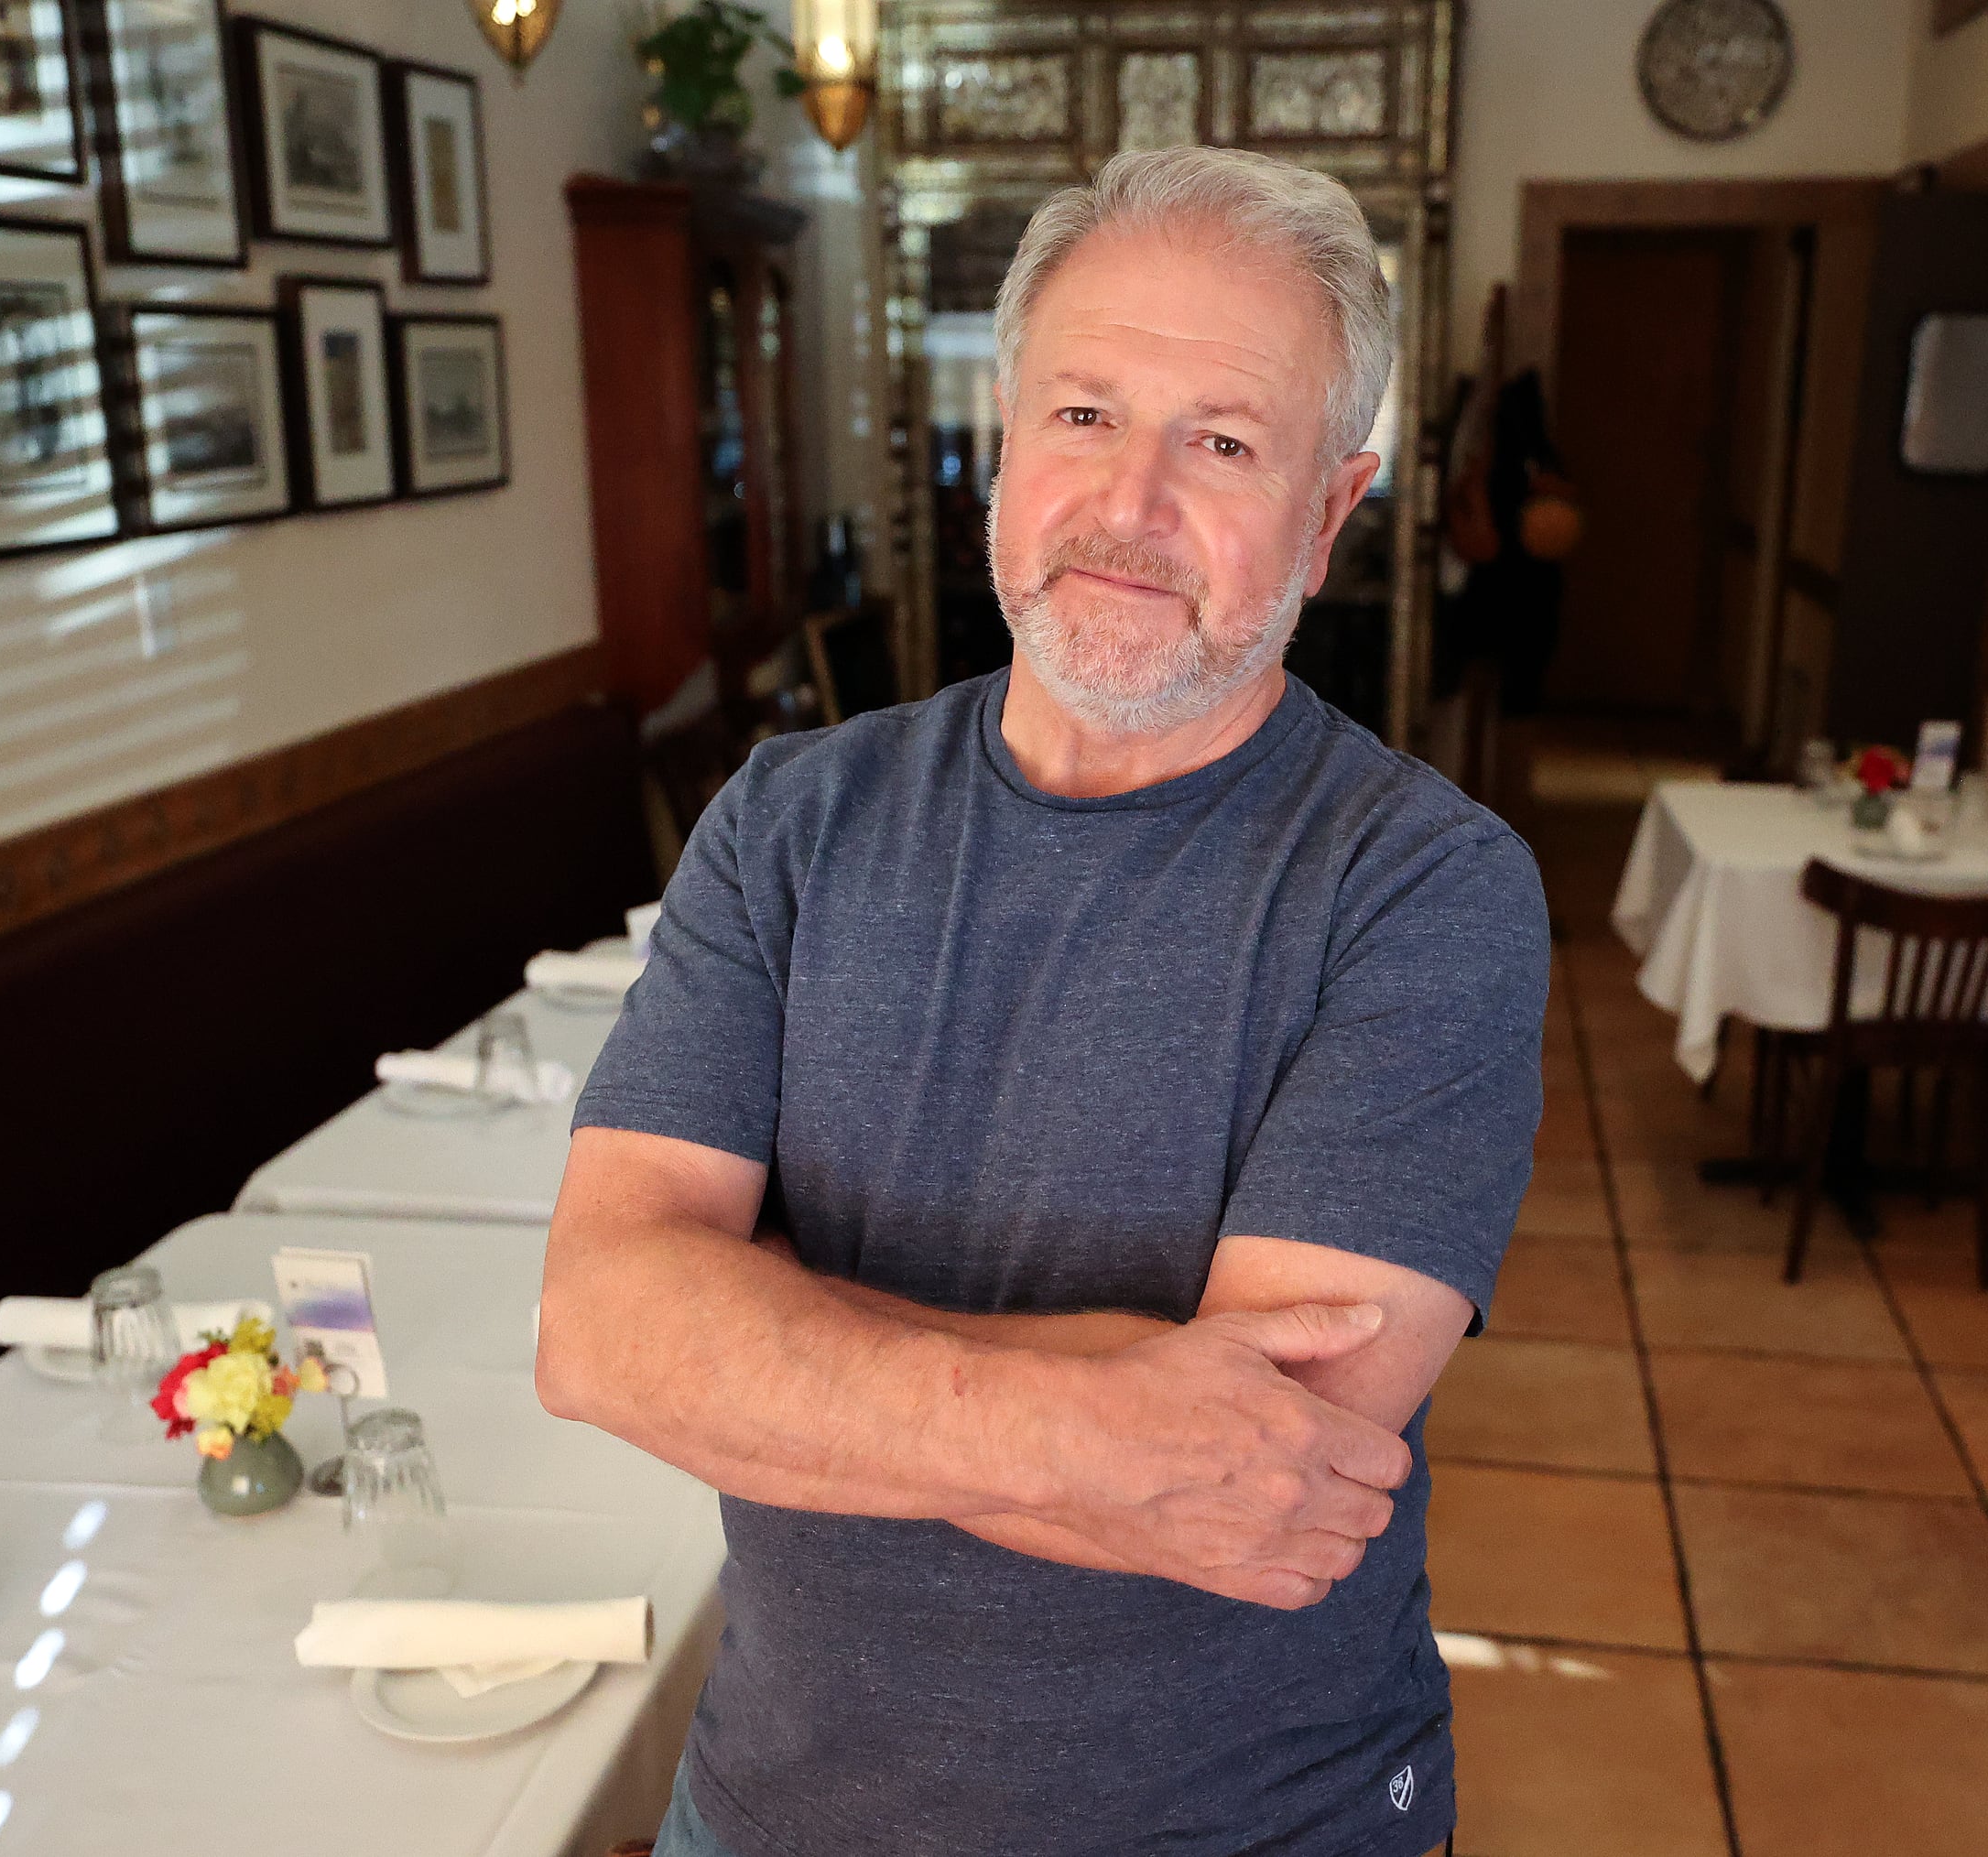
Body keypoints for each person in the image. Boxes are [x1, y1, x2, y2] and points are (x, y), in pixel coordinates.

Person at [538, 145, 1549, 1857]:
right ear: (1008, 444)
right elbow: (599, 1332)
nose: (1132, 503)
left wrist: (772, 1328)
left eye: (1221, 443)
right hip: (775, 1814)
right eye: (1084, 416)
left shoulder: (1427, 889)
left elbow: (1259, 1479)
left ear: (1331, 513)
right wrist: (1098, 1408)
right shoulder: (792, 819)